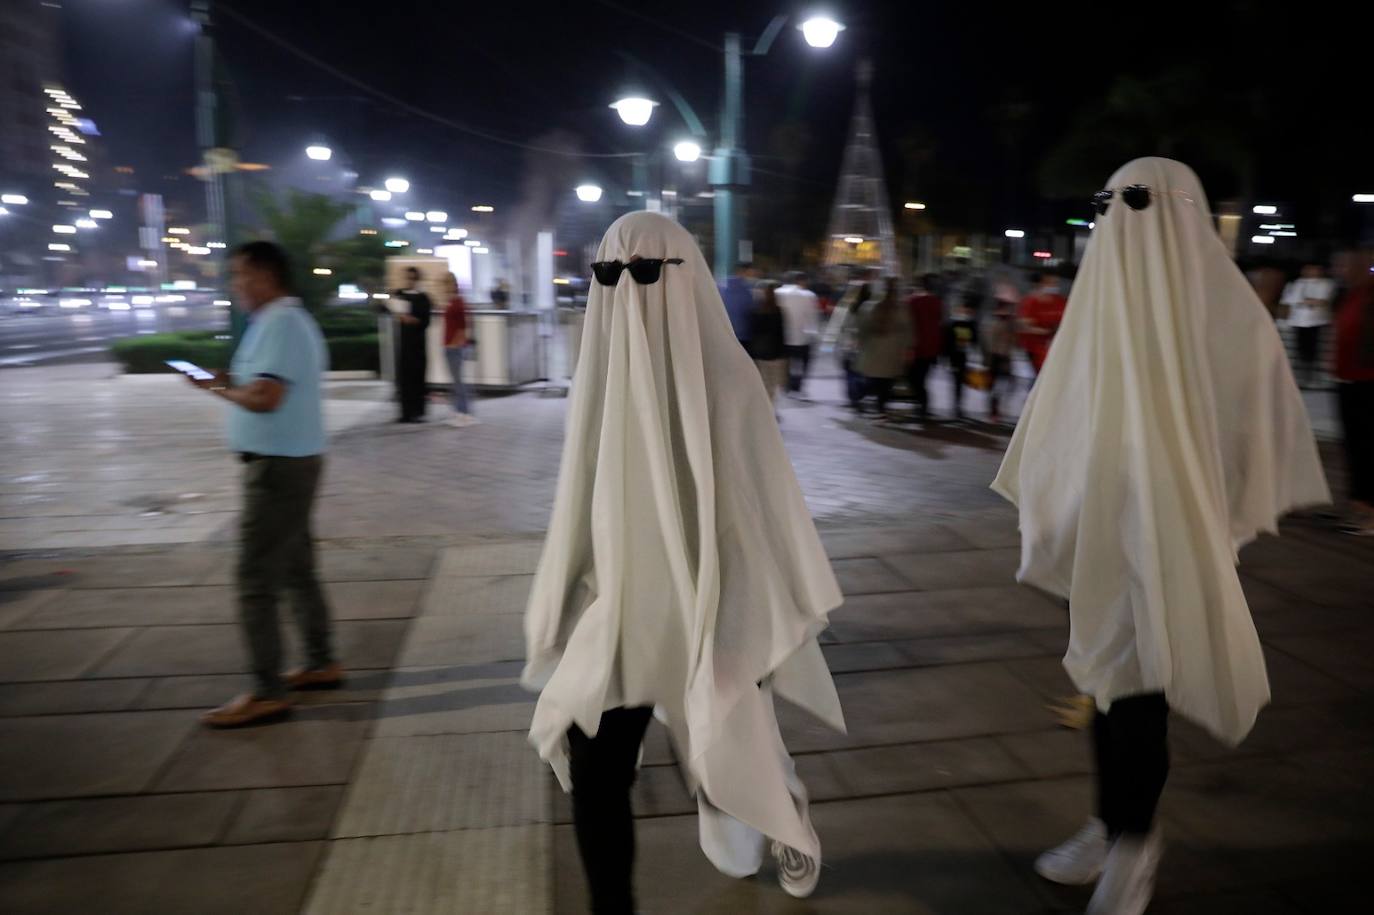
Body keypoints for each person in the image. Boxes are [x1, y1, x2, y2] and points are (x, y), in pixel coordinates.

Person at [993, 158, 1329, 915]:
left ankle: (1135, 842)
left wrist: (1208, 517)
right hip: (1101, 529)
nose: (1122, 221)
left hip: (1174, 531)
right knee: (1108, 682)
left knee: (1139, 690)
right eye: (1109, 204)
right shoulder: (1100, 309)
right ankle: (1111, 824)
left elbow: (1257, 428)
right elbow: (1061, 411)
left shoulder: (1228, 317)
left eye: (1135, 203)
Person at [524, 212, 845, 914]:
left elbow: (759, 508)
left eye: (644, 273)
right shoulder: (601, 378)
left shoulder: (730, 383)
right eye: (609, 274)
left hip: (714, 597)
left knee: (727, 744)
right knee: (595, 758)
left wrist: (755, 607)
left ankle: (780, 805)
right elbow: (584, 495)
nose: (627, 290)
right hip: (622, 611)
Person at [186, 241, 343, 728]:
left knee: (255, 579)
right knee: (297, 569)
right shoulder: (280, 323)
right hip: (291, 461)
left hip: (278, 468)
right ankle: (320, 663)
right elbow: (260, 384)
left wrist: (218, 387)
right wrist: (225, 379)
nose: (235, 285)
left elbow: (266, 397)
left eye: (240, 276)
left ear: (265, 277)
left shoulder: (280, 323)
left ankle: (266, 690)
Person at [1330, 246, 1374, 535]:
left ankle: (1369, 513)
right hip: (1348, 381)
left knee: (1368, 448)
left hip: (1369, 383)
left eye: (1346, 265)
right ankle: (1360, 507)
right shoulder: (1350, 294)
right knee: (1354, 446)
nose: (1340, 270)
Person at [856, 277, 910, 419]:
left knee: (873, 379)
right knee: (887, 382)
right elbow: (908, 330)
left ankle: (872, 403)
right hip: (893, 351)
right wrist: (906, 348)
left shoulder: (868, 307)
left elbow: (861, 329)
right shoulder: (900, 308)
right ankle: (882, 407)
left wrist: (862, 343)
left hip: (873, 350)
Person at [1281, 263, 1336, 388]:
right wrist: (1309, 301)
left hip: (1316, 321)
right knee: (1300, 349)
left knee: (1313, 349)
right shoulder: (1296, 284)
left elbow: (1322, 301)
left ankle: (1310, 375)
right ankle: (1301, 376)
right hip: (1298, 321)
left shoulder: (1326, 283)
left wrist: (1304, 301)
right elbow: (1289, 300)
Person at [390, 266, 432, 423]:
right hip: (404, 344)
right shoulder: (399, 295)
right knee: (404, 378)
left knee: (418, 377)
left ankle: (418, 412)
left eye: (413, 278)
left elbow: (426, 321)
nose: (410, 281)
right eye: (408, 277)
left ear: (417, 279)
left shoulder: (423, 298)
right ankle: (405, 412)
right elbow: (385, 308)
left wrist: (412, 320)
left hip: (418, 345)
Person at [906, 273, 944, 420]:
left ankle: (922, 405)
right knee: (922, 378)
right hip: (932, 348)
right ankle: (922, 406)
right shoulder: (937, 302)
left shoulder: (912, 301)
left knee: (914, 379)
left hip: (916, 347)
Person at [775, 272, 820, 396]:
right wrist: (814, 334)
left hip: (783, 336)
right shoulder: (809, 295)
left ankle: (786, 384)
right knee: (804, 362)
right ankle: (798, 384)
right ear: (802, 281)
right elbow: (812, 317)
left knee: (785, 362)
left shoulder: (777, 293)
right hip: (802, 337)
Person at [442, 272, 477, 428]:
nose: (445, 286)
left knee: (459, 382)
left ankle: (465, 413)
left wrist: (455, 343)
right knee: (456, 381)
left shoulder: (459, 303)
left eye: (447, 283)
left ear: (454, 284)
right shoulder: (451, 302)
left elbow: (464, 326)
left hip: (454, 347)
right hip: (449, 345)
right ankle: (459, 412)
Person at [1017, 270, 1068, 375]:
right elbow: (1024, 326)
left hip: (1057, 347)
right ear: (1040, 284)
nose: (1054, 285)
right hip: (1036, 349)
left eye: (1055, 282)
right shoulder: (1031, 302)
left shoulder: (1059, 301)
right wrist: (1046, 332)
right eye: (1049, 282)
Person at [748, 280, 788, 411]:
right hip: (775, 352)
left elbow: (753, 332)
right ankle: (769, 407)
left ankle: (761, 407)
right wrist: (784, 354)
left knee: (762, 381)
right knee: (772, 383)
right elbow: (782, 333)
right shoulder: (778, 311)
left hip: (759, 351)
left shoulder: (756, 311)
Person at [980, 293, 1017, 424]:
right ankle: (993, 411)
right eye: (1005, 308)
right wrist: (988, 361)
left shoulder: (1008, 323)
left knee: (1004, 385)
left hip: (1004, 358)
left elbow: (1012, 341)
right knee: (995, 386)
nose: (1007, 311)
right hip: (995, 359)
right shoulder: (994, 322)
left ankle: (995, 410)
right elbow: (989, 343)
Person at [943, 300, 980, 419]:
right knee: (956, 382)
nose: (966, 311)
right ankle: (956, 406)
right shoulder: (953, 323)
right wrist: (946, 357)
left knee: (960, 382)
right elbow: (947, 341)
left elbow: (975, 340)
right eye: (963, 309)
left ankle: (958, 406)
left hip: (965, 356)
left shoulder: (971, 323)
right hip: (955, 357)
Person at [718, 262, 758, 348]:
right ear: (743, 272)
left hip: (725, 333)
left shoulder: (721, 286)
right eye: (751, 273)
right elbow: (751, 311)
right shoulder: (748, 290)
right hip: (743, 335)